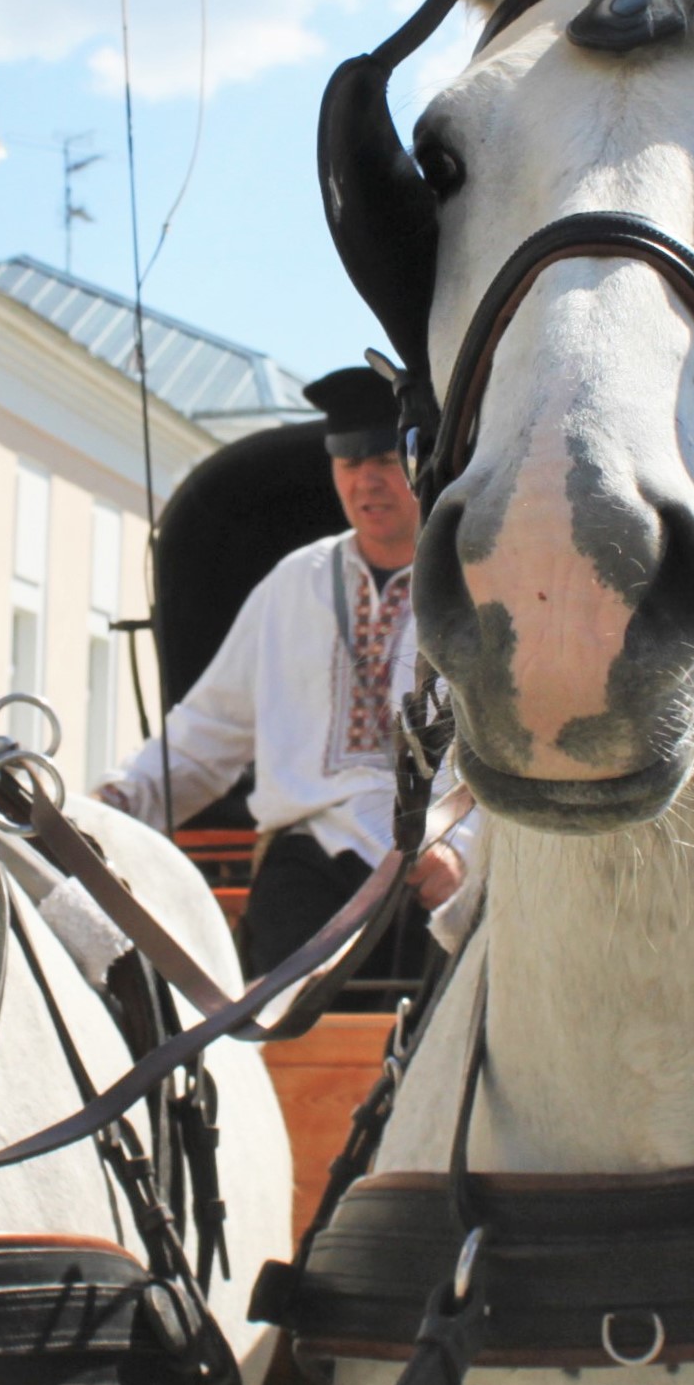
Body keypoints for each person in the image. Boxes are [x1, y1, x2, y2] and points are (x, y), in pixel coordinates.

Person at [97, 366, 473, 977]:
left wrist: (466, 855)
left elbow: (515, 751)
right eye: (349, 464)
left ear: (419, 463)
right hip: (306, 862)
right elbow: (205, 735)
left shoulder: (475, 583)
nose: (366, 481)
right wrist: (115, 802)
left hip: (433, 868)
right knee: (275, 1010)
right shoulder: (293, 583)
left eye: (383, 458)